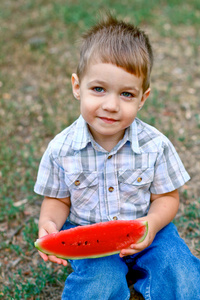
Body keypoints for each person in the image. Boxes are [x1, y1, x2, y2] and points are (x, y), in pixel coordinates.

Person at [34, 14, 200, 300]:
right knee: (101, 281)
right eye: (98, 89)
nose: (110, 105)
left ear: (142, 98)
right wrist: (49, 225)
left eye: (126, 94)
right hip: (89, 237)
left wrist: (151, 226)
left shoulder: (155, 145)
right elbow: (58, 200)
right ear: (77, 87)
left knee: (180, 270)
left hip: (150, 233)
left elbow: (167, 198)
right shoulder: (60, 149)